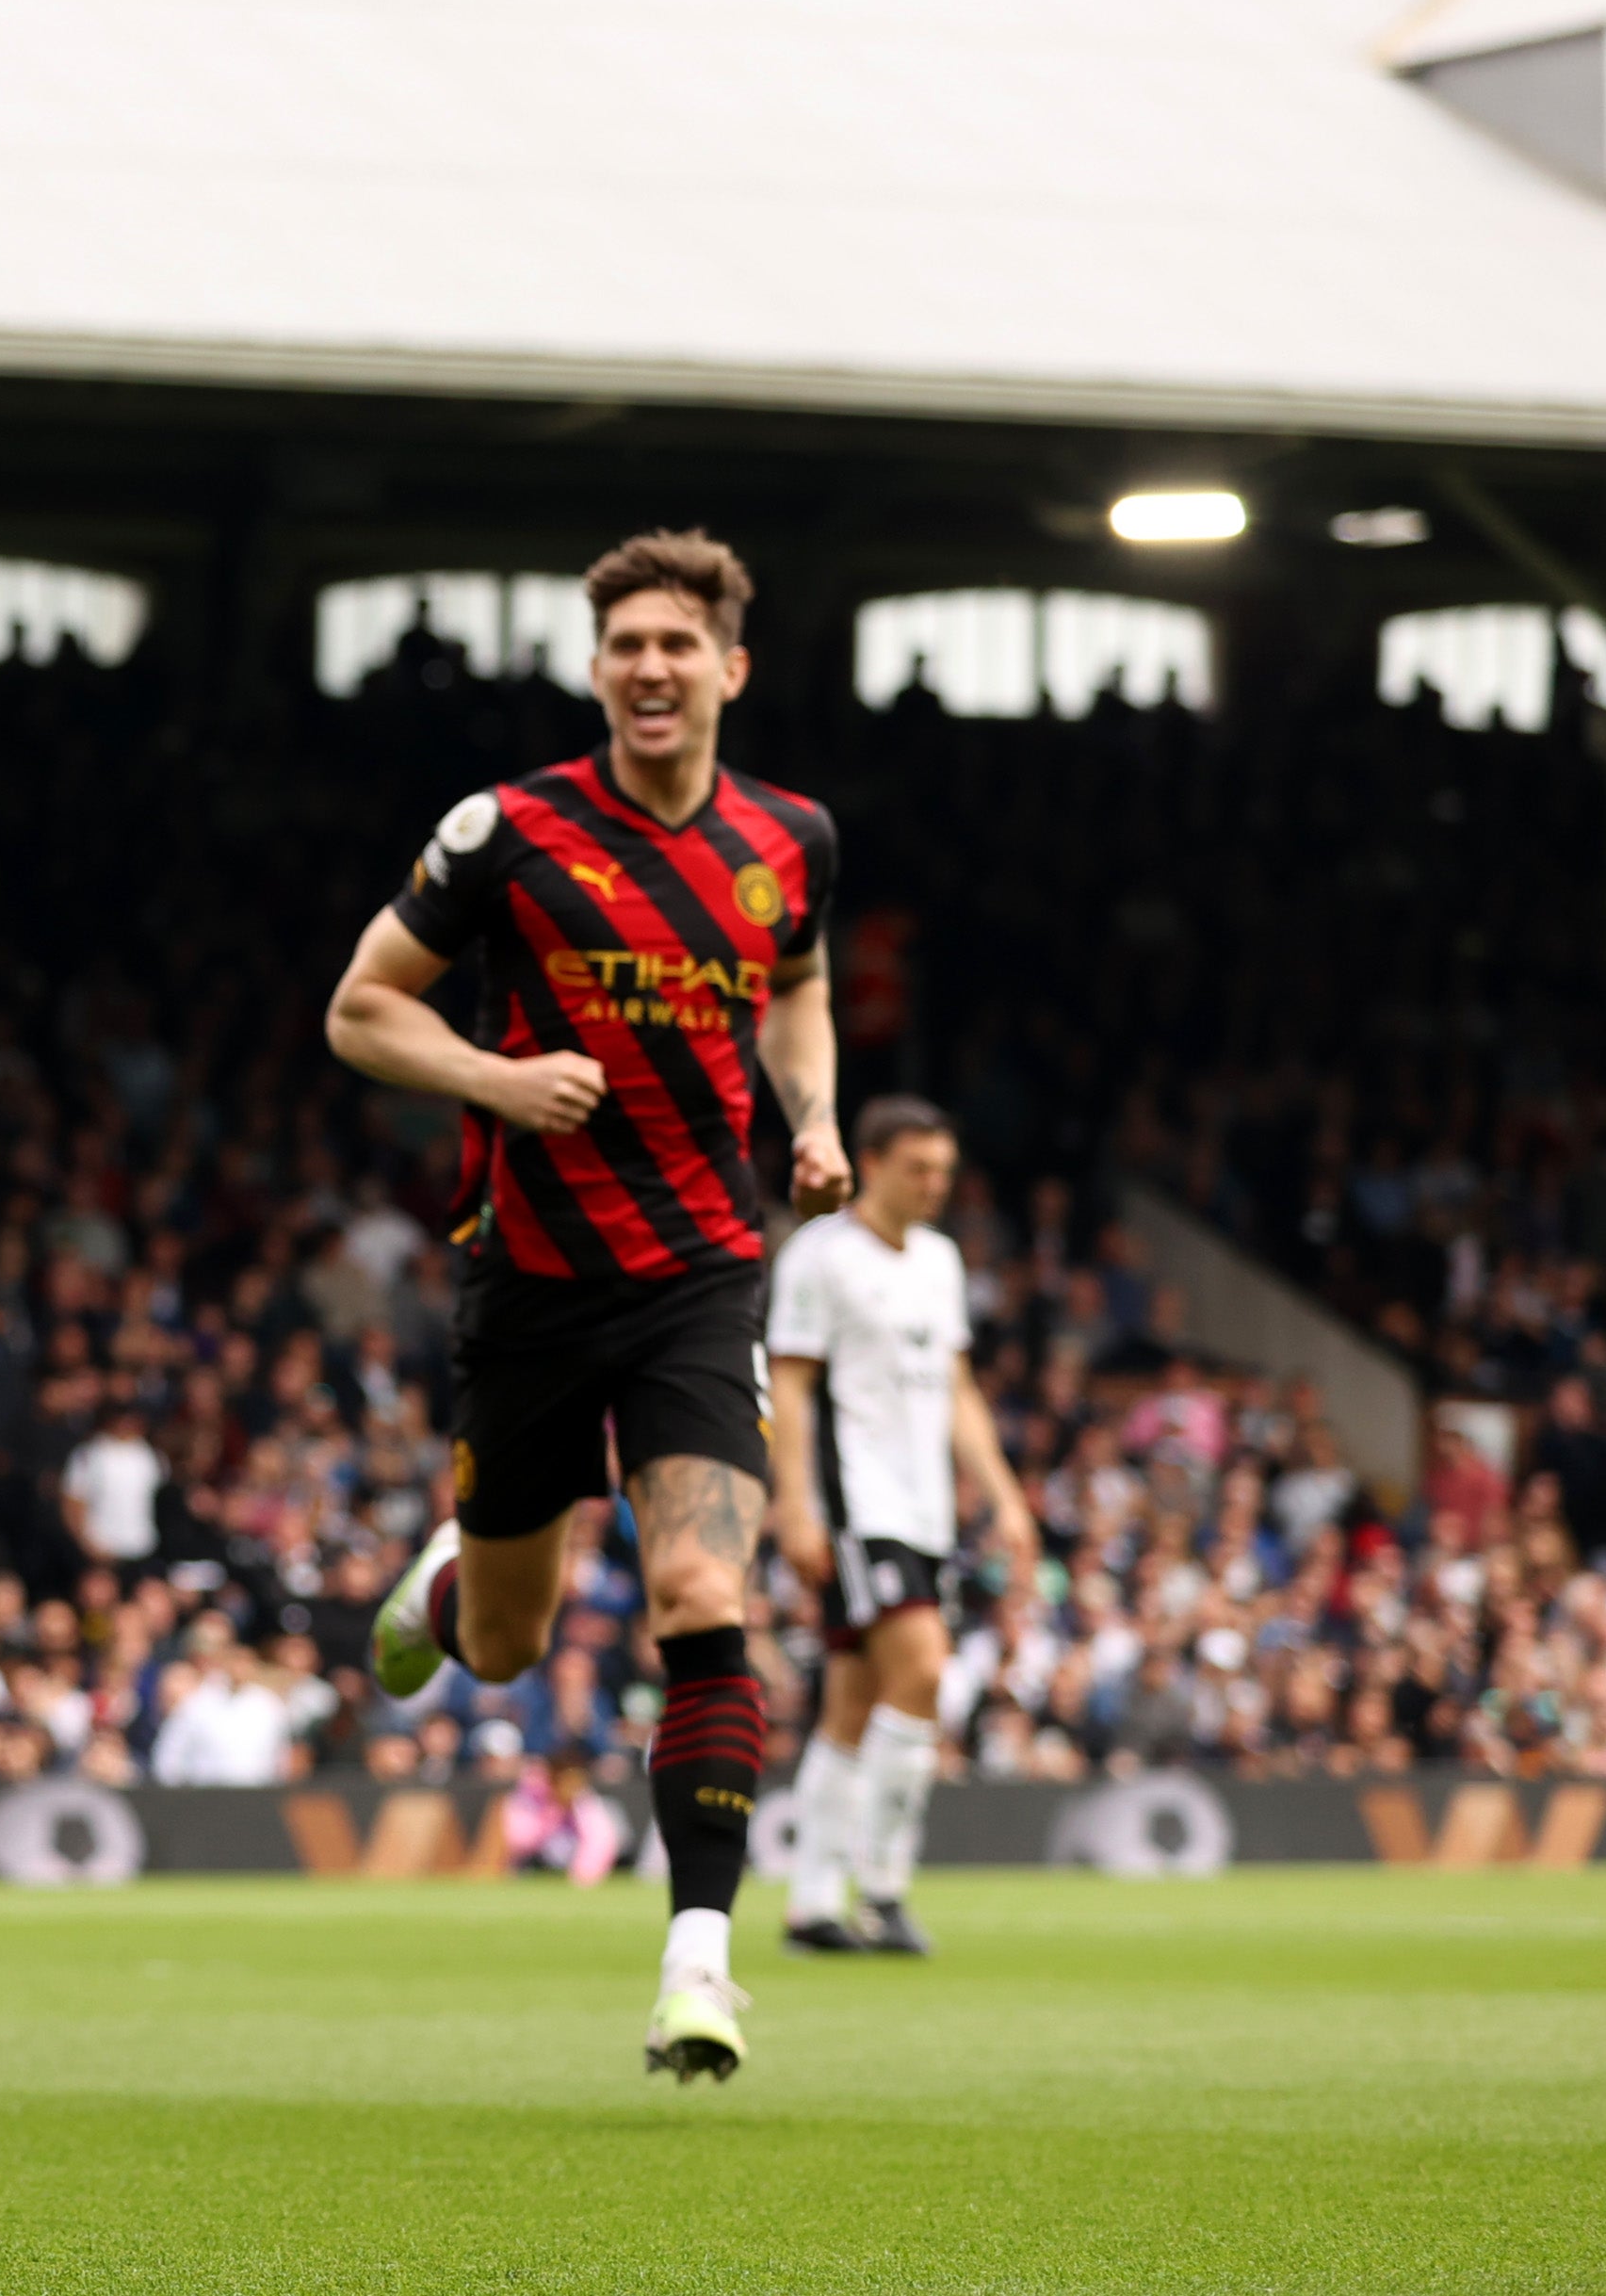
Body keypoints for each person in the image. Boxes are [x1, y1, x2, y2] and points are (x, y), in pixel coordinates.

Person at [326, 527, 847, 2086]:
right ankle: (443, 1584)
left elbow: (800, 978)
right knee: (504, 1641)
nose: (649, 665)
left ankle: (698, 1963)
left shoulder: (792, 837)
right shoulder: (510, 831)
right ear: (596, 664)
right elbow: (358, 1005)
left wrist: (809, 1114)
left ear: (727, 668)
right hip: (530, 1282)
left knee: (701, 1596)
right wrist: (491, 1076)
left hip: (698, 1273)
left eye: (677, 642)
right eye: (624, 641)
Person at [769, 1096, 1033, 1958]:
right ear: (871, 1163)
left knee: (852, 1698)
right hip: (858, 1505)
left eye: (943, 1173)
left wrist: (1002, 1494)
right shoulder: (820, 1254)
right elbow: (793, 1386)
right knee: (922, 1667)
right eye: (917, 1168)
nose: (933, 1186)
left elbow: (955, 1387)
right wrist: (795, 1504)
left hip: (922, 1509)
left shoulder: (940, 1261)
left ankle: (811, 1902)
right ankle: (881, 1888)